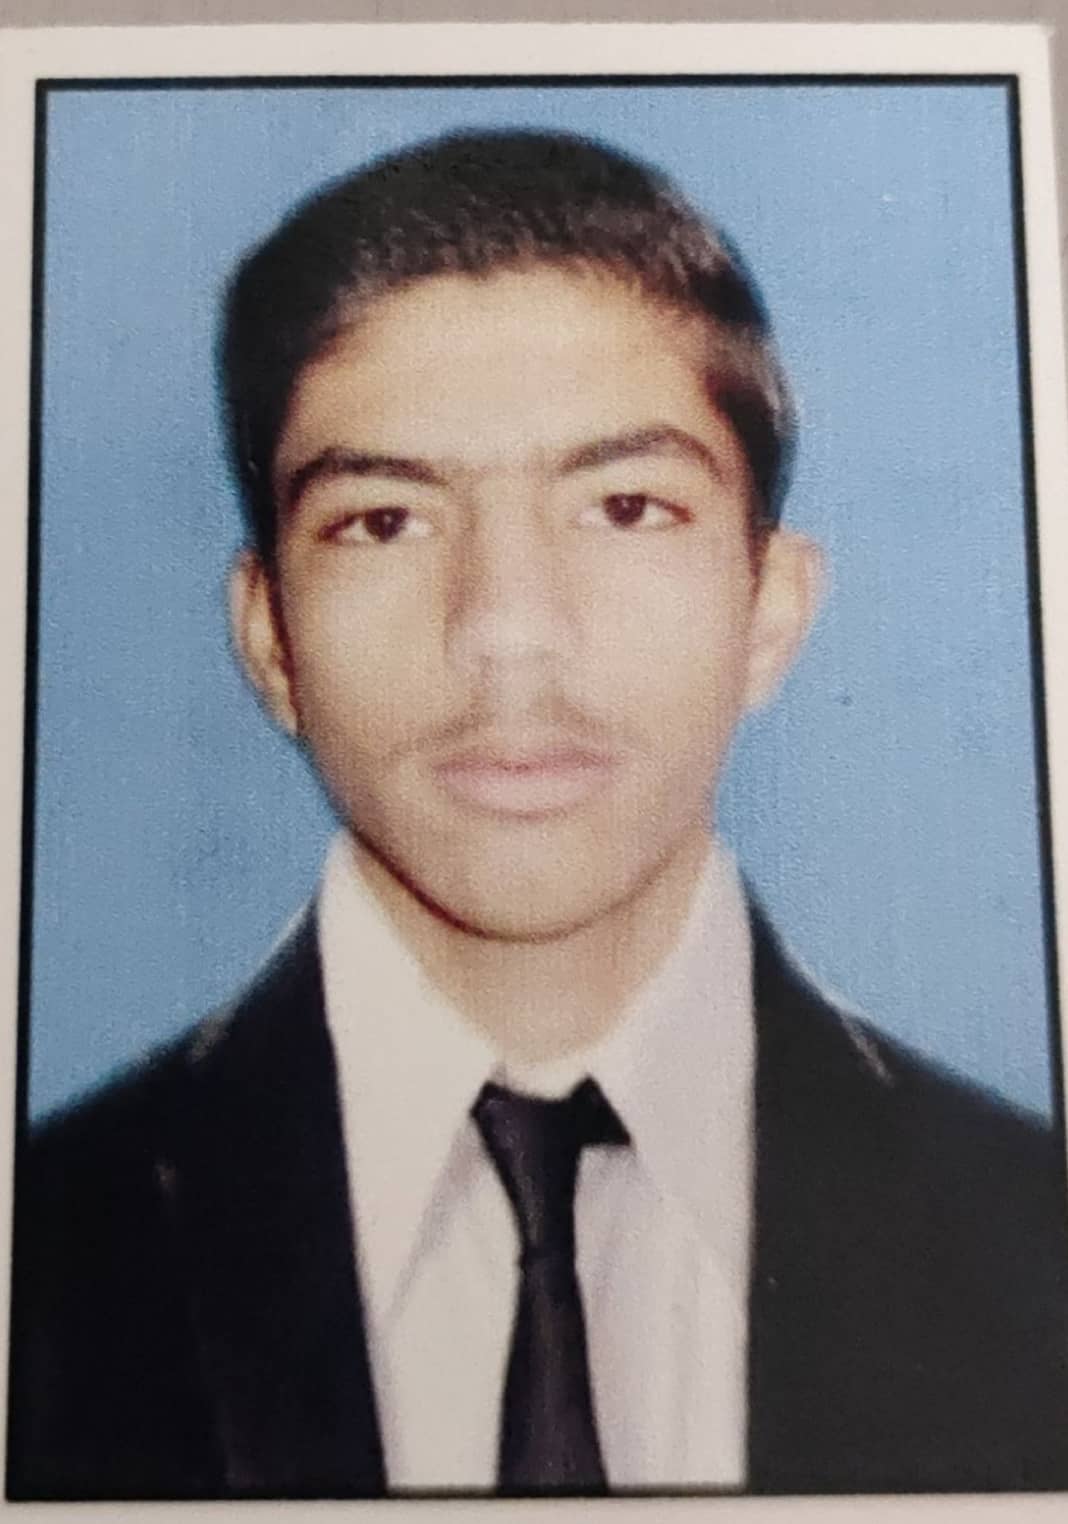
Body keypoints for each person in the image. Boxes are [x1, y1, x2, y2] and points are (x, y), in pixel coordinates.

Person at [8, 129, 1068, 1501]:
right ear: (268, 637)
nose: (507, 631)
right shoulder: (39, 1257)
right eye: (385, 521)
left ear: (770, 609)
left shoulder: (1033, 1237)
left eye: (626, 506)